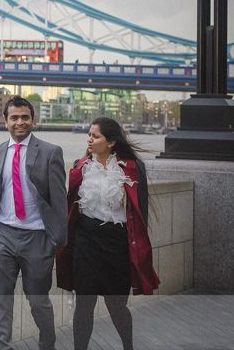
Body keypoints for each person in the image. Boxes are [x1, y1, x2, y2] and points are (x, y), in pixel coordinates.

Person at [56, 117, 160, 350]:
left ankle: (128, 347)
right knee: (84, 304)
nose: (89, 139)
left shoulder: (132, 168)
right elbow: (70, 206)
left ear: (111, 141)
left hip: (116, 244)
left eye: (95, 136)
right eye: (89, 135)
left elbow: (140, 213)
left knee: (116, 305)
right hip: (85, 242)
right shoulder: (80, 166)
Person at [0, 96, 68, 350]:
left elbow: (60, 201)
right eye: (14, 117)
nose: (20, 122)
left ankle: (47, 341)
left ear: (33, 120)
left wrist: (55, 240)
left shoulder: (51, 153)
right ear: (5, 121)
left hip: (37, 237)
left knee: (38, 301)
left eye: (25, 117)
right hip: (2, 235)